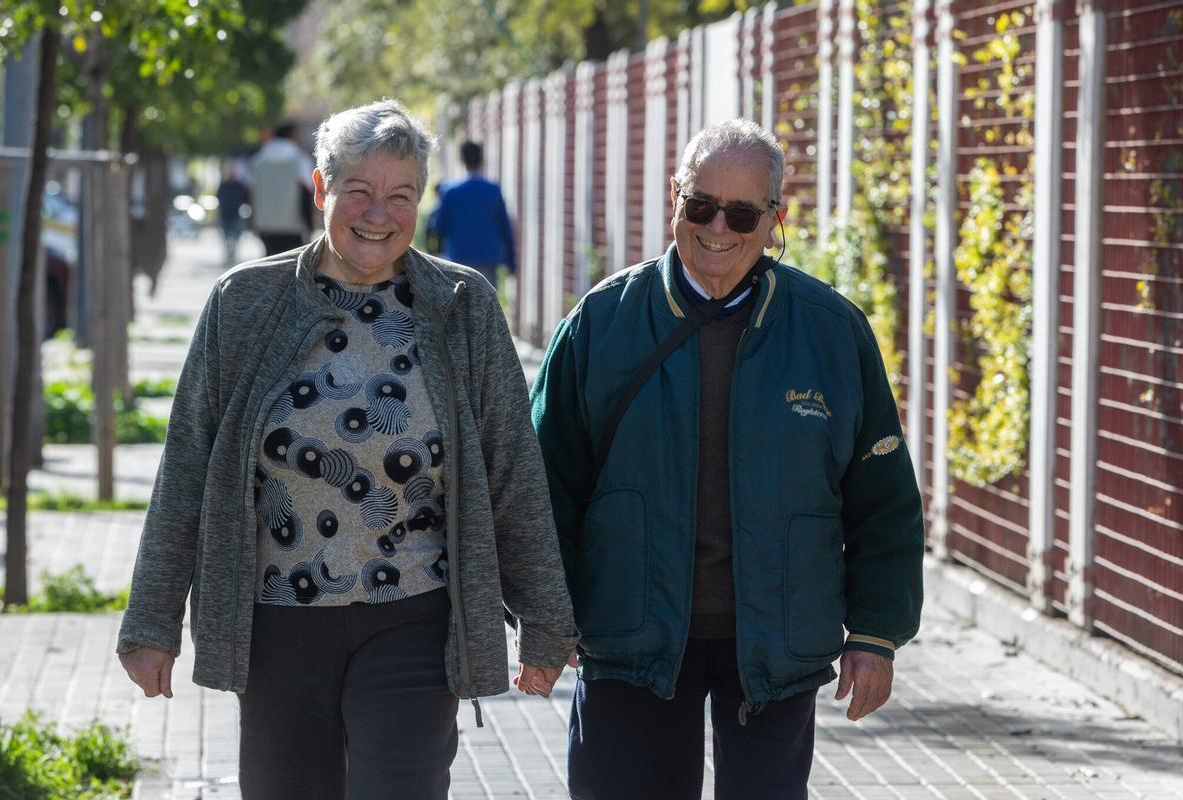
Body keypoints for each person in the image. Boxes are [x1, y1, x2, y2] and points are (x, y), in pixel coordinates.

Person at [117, 98, 577, 800]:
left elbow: (512, 467)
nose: (378, 214)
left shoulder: (461, 305)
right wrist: (152, 620)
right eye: (358, 191)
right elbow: (186, 465)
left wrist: (545, 622)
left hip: (415, 618)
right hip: (276, 625)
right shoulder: (244, 302)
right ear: (321, 189)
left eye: (400, 196)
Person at [530, 119, 925, 800]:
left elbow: (881, 496)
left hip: (774, 641)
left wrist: (877, 633)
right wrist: (541, 614)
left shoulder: (831, 332)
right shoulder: (601, 323)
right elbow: (541, 484)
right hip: (631, 633)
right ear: (674, 196)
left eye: (742, 212)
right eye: (701, 204)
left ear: (775, 219)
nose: (718, 227)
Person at [431, 141, 515, 287]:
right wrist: (511, 261)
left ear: (461, 160)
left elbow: (439, 227)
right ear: (482, 160)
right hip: (488, 258)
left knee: (460, 306)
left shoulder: (450, 191)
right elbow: (505, 228)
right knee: (487, 305)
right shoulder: (493, 190)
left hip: (458, 258)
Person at [249, 122, 316, 255]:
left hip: (266, 225)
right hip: (294, 226)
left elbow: (251, 191)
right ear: (291, 135)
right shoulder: (300, 159)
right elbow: (307, 192)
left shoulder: (258, 160)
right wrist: (310, 225)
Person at [215, 164, 250, 265]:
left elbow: (245, 198)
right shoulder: (223, 186)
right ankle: (228, 256)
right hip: (225, 215)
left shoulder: (239, 186)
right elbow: (219, 197)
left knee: (236, 237)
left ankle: (234, 255)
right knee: (226, 238)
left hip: (236, 214)